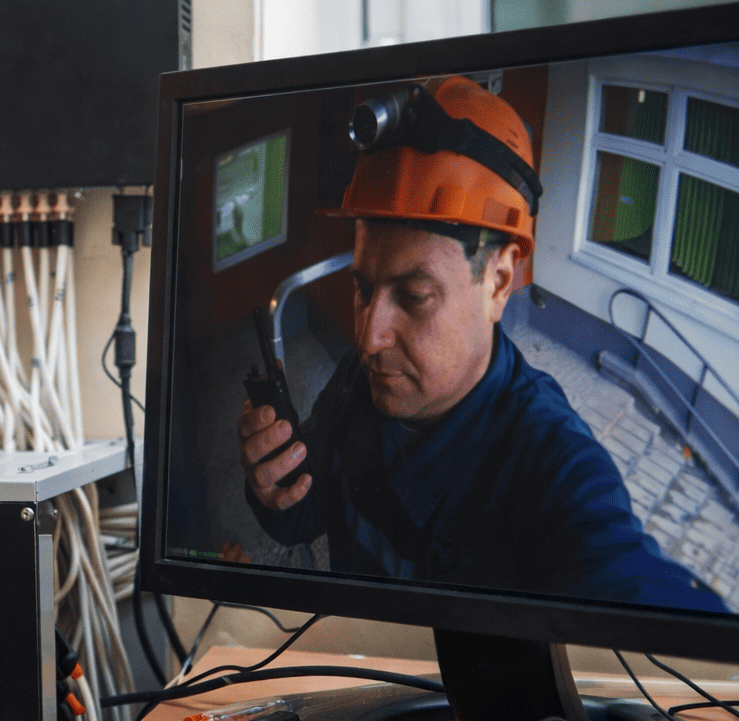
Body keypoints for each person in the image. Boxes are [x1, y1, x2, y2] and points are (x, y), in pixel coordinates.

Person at [237, 74, 727, 613]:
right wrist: (274, 492)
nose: (370, 338)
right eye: (363, 289)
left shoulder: (550, 463)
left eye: (414, 296)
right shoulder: (356, 380)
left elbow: (622, 576)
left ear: (498, 283)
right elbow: (306, 513)